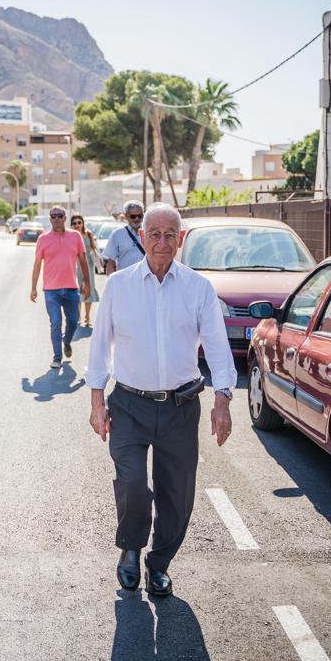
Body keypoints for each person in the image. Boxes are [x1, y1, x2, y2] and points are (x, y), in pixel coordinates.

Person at [85, 203, 236, 599]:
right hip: (129, 405)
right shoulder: (118, 286)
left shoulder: (198, 288)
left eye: (171, 235)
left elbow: (218, 348)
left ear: (180, 239)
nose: (162, 242)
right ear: (141, 237)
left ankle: (159, 564)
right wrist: (96, 400)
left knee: (177, 494)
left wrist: (222, 399)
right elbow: (100, 347)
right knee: (133, 482)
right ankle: (131, 548)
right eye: (155, 234)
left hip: (181, 408)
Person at [30, 205, 91, 369]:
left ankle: (67, 341)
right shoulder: (43, 239)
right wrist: (33, 287)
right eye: (53, 216)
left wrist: (88, 284)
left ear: (65, 218)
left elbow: (83, 262)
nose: (57, 219)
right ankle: (57, 357)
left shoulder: (76, 236)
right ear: (50, 219)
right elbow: (37, 264)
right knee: (56, 322)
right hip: (51, 290)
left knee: (73, 322)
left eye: (60, 216)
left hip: (71, 288)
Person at [70, 213, 101, 327]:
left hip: (89, 265)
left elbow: (94, 248)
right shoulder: (70, 236)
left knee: (89, 290)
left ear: (83, 223)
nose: (77, 225)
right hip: (75, 266)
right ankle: (78, 317)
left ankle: (87, 317)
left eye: (79, 222)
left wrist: (95, 256)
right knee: (77, 291)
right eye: (74, 223)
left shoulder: (88, 234)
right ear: (71, 225)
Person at [102, 201, 146, 274]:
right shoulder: (117, 234)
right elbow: (111, 263)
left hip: (146, 279)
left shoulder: (150, 233)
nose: (137, 219)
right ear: (126, 216)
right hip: (124, 280)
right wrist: (111, 283)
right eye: (133, 216)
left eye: (140, 216)